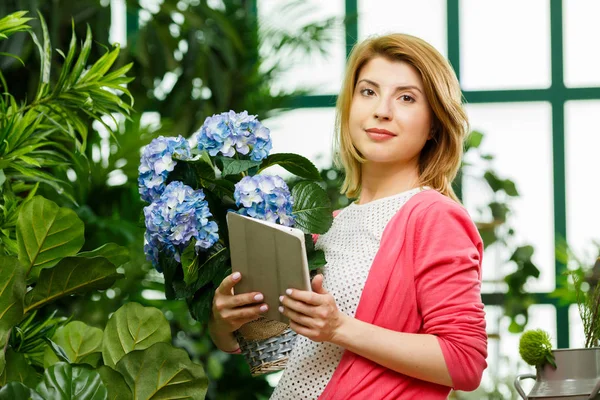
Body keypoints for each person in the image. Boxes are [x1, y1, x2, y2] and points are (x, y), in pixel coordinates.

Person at [208, 33, 488, 399]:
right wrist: (224, 321)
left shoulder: (433, 217)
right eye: (368, 91)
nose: (381, 110)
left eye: (406, 97)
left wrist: (339, 328)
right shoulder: (328, 224)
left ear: (434, 122)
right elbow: (272, 346)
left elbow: (465, 361)